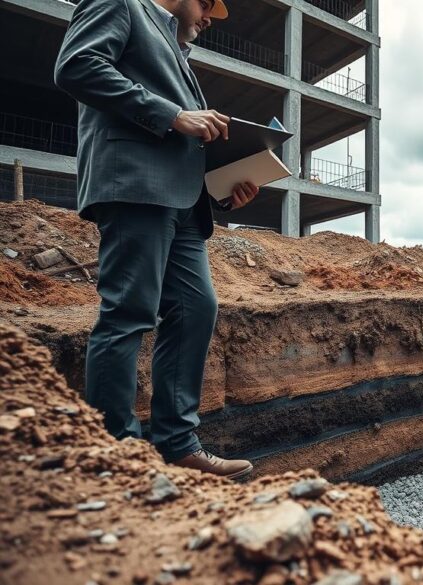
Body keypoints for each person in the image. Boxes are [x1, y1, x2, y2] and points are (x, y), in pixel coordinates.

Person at [54, 0, 258, 479]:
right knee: (128, 311)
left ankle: (177, 443)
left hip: (185, 202)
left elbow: (186, 142)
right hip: (135, 188)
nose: (209, 18)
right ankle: (118, 451)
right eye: (208, 5)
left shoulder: (177, 49)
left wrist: (227, 193)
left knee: (197, 308)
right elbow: (77, 65)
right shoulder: (121, 4)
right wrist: (172, 114)